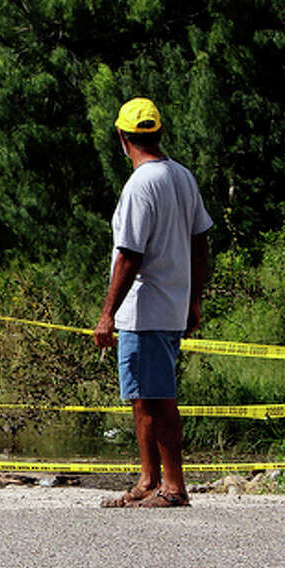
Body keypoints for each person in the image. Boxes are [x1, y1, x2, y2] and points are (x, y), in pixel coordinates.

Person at [94, 98, 212, 508]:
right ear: (157, 134)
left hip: (146, 308)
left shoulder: (140, 185)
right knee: (143, 395)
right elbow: (201, 244)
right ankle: (148, 480)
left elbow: (129, 254)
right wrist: (193, 300)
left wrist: (107, 314)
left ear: (123, 138)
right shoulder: (182, 177)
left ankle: (174, 486)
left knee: (159, 397)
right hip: (170, 305)